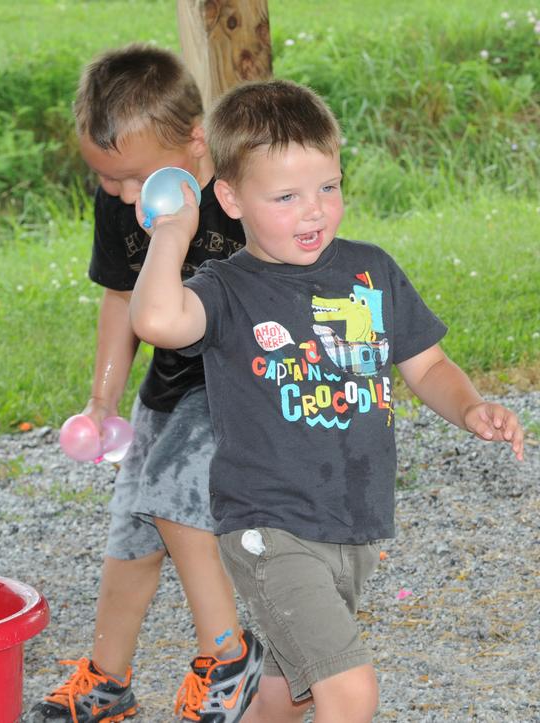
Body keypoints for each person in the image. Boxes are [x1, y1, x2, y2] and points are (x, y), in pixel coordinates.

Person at [129, 78, 525, 723]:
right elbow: (157, 321)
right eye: (286, 197)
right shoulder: (227, 289)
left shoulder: (370, 271)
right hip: (269, 527)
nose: (313, 211)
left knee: (291, 689)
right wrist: (173, 232)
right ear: (229, 199)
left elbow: (427, 365)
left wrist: (470, 405)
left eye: (328, 188)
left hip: (353, 523)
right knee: (349, 690)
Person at [27, 45, 263, 723]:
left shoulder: (239, 191)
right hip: (169, 383)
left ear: (195, 142)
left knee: (173, 496)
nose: (124, 195)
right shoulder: (120, 198)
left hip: (234, 379)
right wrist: (104, 400)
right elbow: (119, 299)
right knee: (132, 527)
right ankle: (107, 678)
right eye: (106, 180)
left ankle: (229, 656)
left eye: (133, 179)